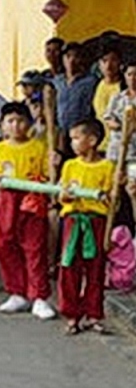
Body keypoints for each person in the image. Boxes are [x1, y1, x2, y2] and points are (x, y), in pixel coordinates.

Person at [0, 103, 56, 319]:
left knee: (34, 248)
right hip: (6, 202)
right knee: (5, 245)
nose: (16, 125)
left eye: (21, 120)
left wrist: (53, 165)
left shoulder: (39, 148)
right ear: (2, 125)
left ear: (29, 124)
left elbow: (49, 177)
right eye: (10, 121)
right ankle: (17, 293)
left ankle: (39, 296)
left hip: (31, 201)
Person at [57, 119, 114, 335]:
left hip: (96, 221)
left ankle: (94, 314)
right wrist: (66, 195)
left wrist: (109, 197)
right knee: (69, 268)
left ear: (92, 140)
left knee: (95, 269)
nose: (72, 143)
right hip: (73, 220)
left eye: (76, 138)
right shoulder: (70, 165)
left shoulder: (108, 167)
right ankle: (72, 314)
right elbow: (62, 194)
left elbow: (112, 200)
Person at [56, 42, 99, 153]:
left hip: (82, 133)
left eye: (75, 56)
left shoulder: (91, 81)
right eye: (68, 56)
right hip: (61, 132)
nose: (71, 60)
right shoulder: (57, 81)